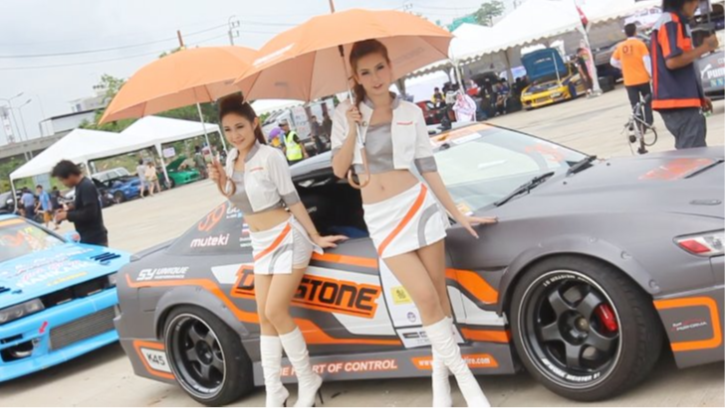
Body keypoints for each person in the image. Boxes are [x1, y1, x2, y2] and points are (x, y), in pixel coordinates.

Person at [330, 39, 496, 407]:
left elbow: (427, 167)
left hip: (418, 208)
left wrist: (457, 212)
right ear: (355, 77)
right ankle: (467, 382)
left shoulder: (410, 111)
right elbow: (339, 169)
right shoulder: (346, 113)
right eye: (365, 72)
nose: (375, 77)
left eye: (380, 67)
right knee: (423, 296)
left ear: (390, 66)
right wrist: (354, 129)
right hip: (380, 218)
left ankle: (440, 384)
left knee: (437, 297)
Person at [208, 94, 345, 407]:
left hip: (287, 239)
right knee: (264, 317)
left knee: (275, 311)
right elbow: (237, 199)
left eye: (240, 127)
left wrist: (314, 235)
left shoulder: (271, 156)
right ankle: (274, 390)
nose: (235, 135)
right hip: (260, 243)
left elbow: (291, 198)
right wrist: (220, 181)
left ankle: (308, 379)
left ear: (254, 123)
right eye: (227, 129)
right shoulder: (230, 158)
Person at [651, 0, 718, 149]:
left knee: (693, 151)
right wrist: (705, 47)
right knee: (693, 154)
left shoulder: (674, 21)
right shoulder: (670, 22)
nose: (696, 6)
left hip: (681, 99)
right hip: (678, 101)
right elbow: (673, 61)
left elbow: (685, 65)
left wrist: (699, 95)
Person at [51, 160, 108, 246]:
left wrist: (67, 215)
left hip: (94, 239)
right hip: (88, 237)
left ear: (70, 175)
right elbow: (83, 206)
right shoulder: (80, 186)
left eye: (62, 180)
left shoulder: (86, 186)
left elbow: (90, 213)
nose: (63, 183)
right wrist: (70, 208)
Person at [611, 23, 654, 126]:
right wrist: (652, 74)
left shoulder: (621, 46)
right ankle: (648, 122)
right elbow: (646, 60)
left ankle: (639, 124)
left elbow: (613, 61)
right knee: (647, 101)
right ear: (635, 32)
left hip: (629, 80)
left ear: (625, 33)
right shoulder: (640, 44)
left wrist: (623, 66)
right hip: (643, 78)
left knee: (635, 103)